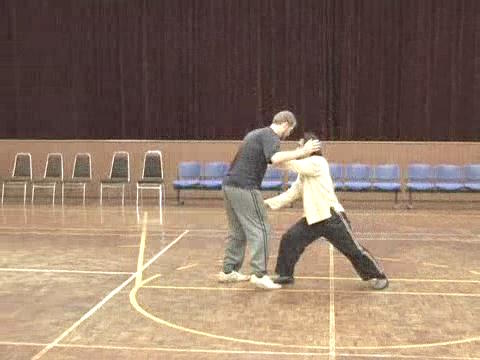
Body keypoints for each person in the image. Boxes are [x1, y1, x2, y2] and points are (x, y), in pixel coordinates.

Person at [264, 132, 389, 290]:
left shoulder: (318, 162)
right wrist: (268, 204)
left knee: (352, 249)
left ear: (311, 146)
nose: (298, 148)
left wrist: (272, 158)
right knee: (290, 238)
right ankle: (285, 274)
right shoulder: (305, 171)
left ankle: (378, 275)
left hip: (331, 217)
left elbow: (290, 164)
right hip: (313, 218)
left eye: (301, 145)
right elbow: (293, 193)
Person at [218, 111, 322, 289]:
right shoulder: (271, 136)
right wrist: (302, 151)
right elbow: (275, 158)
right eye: (290, 130)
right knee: (262, 229)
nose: (288, 134)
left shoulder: (255, 133)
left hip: (229, 186)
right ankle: (259, 274)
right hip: (245, 187)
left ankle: (228, 271)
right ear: (285, 124)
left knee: (238, 231)